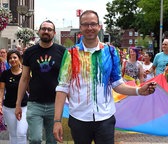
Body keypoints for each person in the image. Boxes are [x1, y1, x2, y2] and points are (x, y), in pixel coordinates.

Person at [53, 10, 156, 144]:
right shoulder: (71, 53)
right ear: (80, 28)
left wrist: (139, 91)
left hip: (105, 119)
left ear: (99, 26)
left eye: (93, 24)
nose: (89, 28)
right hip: (79, 119)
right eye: (85, 24)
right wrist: (57, 121)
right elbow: (62, 88)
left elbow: (117, 84)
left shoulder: (110, 51)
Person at [15, 20, 66, 144]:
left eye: (49, 29)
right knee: (35, 139)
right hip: (34, 103)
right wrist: (18, 104)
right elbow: (24, 78)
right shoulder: (30, 52)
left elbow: (66, 79)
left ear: (54, 33)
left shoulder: (62, 51)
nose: (46, 31)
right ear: (39, 31)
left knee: (52, 140)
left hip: (55, 104)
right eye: (44, 29)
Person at [0, 50, 28, 144]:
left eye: (15, 57)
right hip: (8, 108)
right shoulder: (5, 74)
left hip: (24, 107)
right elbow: (2, 90)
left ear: (19, 59)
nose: (12, 60)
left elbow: (30, 89)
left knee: (21, 132)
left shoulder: (25, 73)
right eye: (10, 58)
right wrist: (0, 104)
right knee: (13, 134)